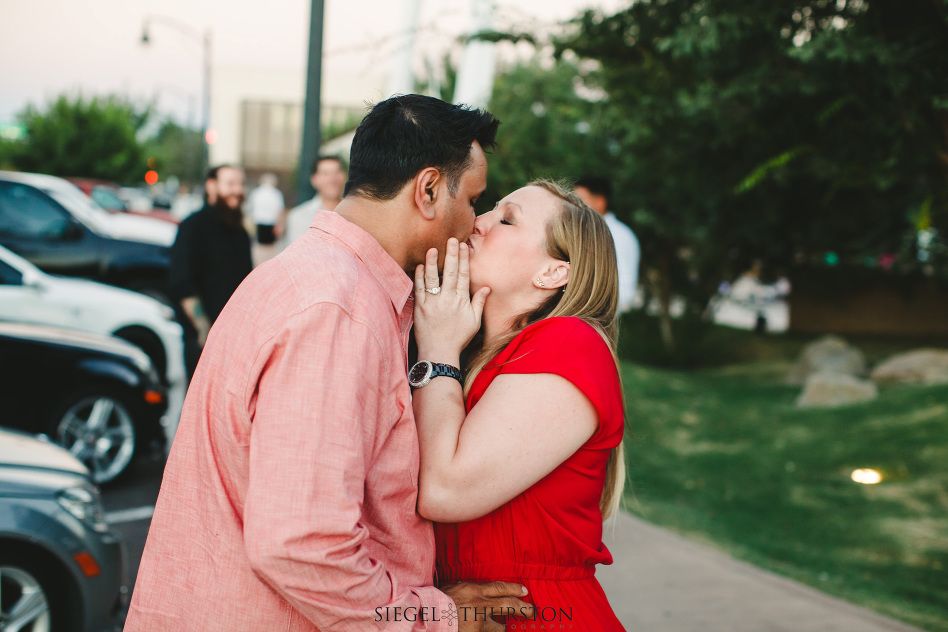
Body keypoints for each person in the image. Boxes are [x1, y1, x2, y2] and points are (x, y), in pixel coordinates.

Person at [125, 95, 535, 632]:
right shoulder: (338, 310)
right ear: (429, 190)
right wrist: (437, 620)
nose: (474, 222)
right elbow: (302, 543)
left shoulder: (311, 278)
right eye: (474, 200)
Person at [410, 181, 627, 631]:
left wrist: (438, 353)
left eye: (507, 219)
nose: (478, 222)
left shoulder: (570, 342)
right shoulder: (472, 356)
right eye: (488, 209)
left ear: (553, 273)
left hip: (536, 614)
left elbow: (445, 490)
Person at [168, 164, 253, 378]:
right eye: (230, 184)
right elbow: (182, 282)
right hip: (203, 342)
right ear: (211, 186)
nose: (238, 190)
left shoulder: (240, 232)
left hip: (235, 341)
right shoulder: (193, 226)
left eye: (241, 184)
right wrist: (204, 330)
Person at [574, 176, 640, 314]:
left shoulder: (618, 236)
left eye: (580, 199)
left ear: (600, 202)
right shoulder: (585, 231)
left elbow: (624, 290)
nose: (574, 205)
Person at [283, 155, 347, 247]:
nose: (333, 179)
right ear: (314, 180)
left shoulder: (356, 214)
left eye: (337, 172)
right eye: (326, 173)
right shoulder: (299, 216)